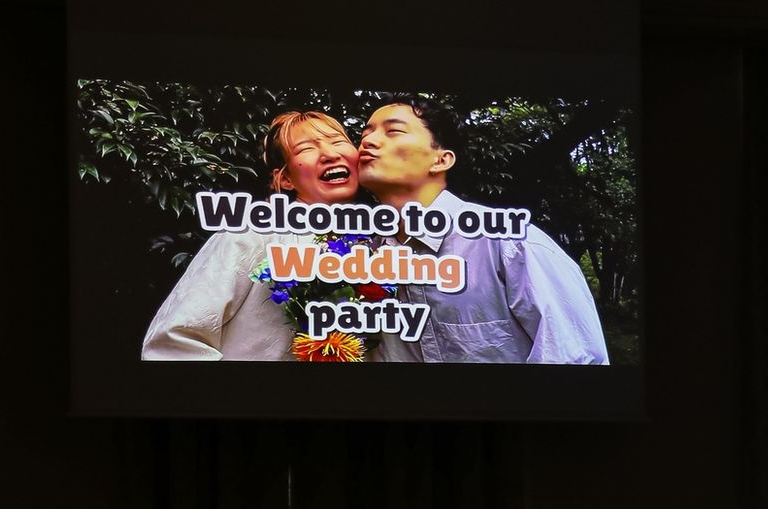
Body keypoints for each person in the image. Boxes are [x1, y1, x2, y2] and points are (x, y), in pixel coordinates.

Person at [357, 93, 609, 364]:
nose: (367, 142)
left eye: (393, 131)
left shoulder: (510, 243)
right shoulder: (362, 260)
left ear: (441, 160)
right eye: (364, 135)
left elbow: (576, 359)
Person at [141, 109, 361, 360]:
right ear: (285, 179)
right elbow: (172, 343)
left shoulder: (372, 247)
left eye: (338, 141)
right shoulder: (253, 232)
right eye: (306, 149)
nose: (330, 154)